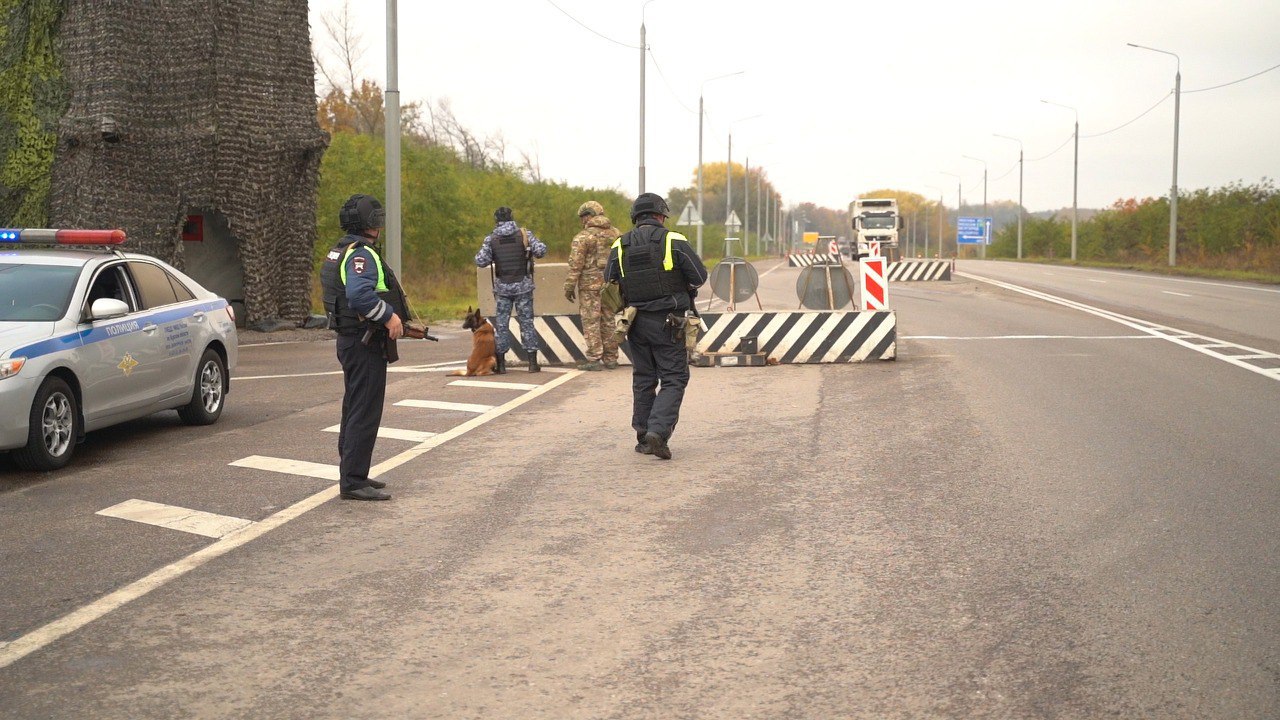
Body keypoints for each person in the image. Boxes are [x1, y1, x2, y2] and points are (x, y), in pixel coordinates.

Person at [605, 192, 708, 460]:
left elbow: (609, 282)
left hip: (635, 322)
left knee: (643, 377)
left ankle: (643, 436)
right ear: (661, 216)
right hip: (668, 321)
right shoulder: (674, 241)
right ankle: (657, 433)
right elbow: (699, 277)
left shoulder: (619, 245)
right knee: (674, 378)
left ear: (636, 218)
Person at [320, 193, 406, 501]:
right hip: (363, 341)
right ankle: (354, 481)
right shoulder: (361, 255)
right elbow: (359, 295)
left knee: (355, 405)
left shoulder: (339, 250)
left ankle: (354, 471)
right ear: (371, 223)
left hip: (351, 339)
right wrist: (389, 316)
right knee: (365, 409)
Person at [475, 207, 547, 373]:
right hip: (523, 286)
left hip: (503, 289)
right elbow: (541, 251)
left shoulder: (491, 239)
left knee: (502, 326)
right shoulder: (524, 234)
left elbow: (480, 261)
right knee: (526, 323)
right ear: (511, 217)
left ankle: (501, 365)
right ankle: (532, 364)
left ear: (496, 220)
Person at [564, 200, 622, 371]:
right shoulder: (616, 234)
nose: (582, 221)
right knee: (608, 320)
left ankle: (594, 358)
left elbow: (576, 264)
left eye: (583, 217)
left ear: (588, 216)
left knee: (591, 321)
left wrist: (569, 286)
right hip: (611, 285)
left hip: (589, 286)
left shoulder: (583, 237)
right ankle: (611, 359)